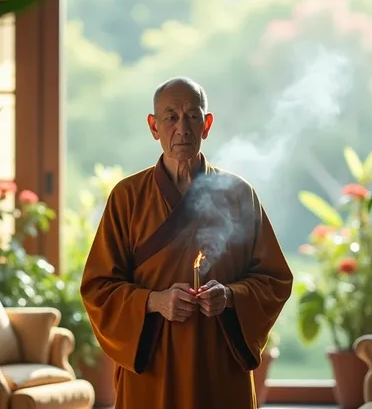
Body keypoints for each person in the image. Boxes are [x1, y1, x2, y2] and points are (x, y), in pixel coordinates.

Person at [79, 77, 294, 409]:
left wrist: (231, 296)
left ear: (207, 125)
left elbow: (274, 280)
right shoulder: (128, 197)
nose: (182, 128)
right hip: (153, 367)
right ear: (154, 127)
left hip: (219, 361)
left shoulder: (238, 195)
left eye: (193, 116)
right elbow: (98, 288)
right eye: (171, 117)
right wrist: (154, 301)